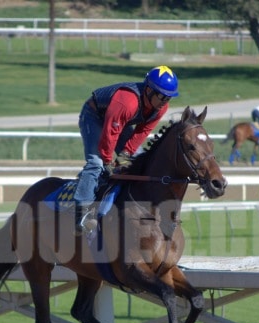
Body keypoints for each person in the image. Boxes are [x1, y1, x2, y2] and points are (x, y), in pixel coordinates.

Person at [72, 65, 179, 234]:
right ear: (149, 90)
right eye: (162, 96)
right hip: (94, 116)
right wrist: (108, 161)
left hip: (119, 121)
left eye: (169, 98)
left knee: (138, 160)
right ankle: (82, 213)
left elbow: (142, 132)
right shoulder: (127, 102)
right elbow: (109, 134)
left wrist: (126, 155)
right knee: (96, 163)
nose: (165, 102)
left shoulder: (161, 108)